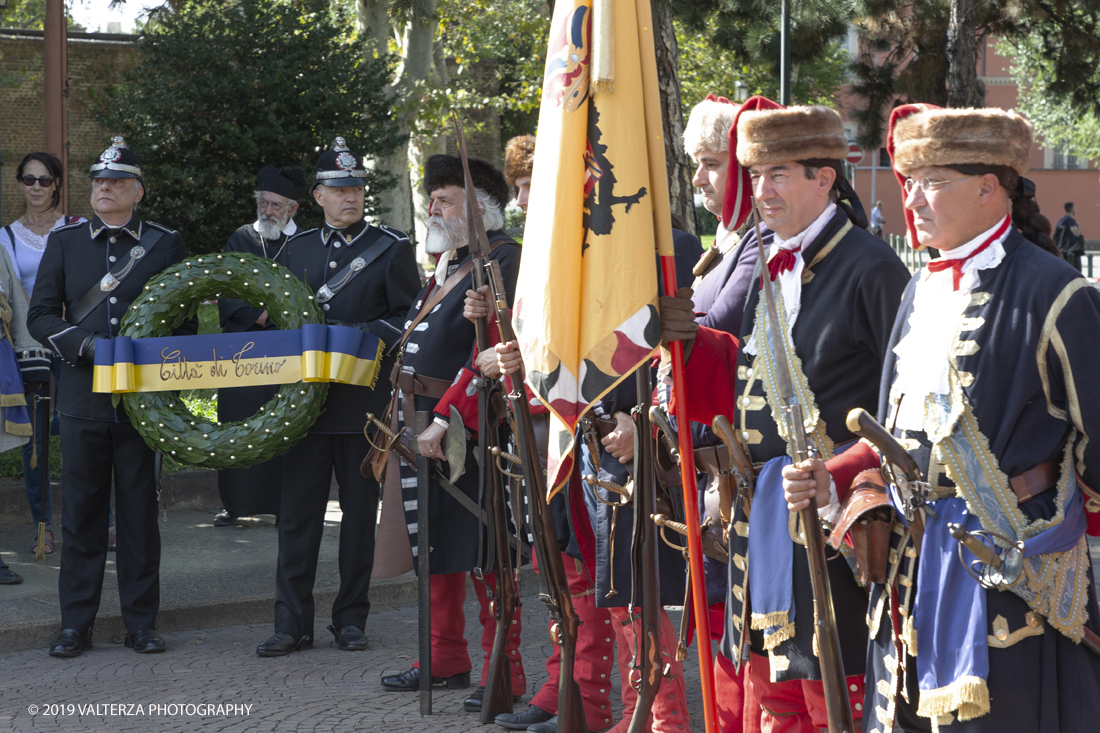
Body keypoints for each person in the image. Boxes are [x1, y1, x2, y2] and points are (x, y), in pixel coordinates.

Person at [785, 105, 1100, 732]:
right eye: (909, 182)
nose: (913, 201)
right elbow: (895, 432)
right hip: (905, 569)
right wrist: (836, 475)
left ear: (990, 187)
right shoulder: (918, 290)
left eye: (932, 182)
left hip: (1009, 579)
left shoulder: (1060, 294)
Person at [662, 99, 911, 731]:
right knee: (774, 693)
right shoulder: (766, 260)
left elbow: (902, 406)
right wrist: (688, 342)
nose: (760, 191)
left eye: (777, 174)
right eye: (754, 175)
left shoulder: (872, 268)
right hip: (763, 508)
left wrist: (844, 477)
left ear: (823, 178)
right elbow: (745, 378)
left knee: (834, 692)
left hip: (834, 516)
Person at [28, 135, 194, 657]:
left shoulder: (165, 244)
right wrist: (88, 347)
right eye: (99, 181)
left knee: (140, 515)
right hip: (82, 400)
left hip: (142, 404)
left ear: (137, 192)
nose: (105, 188)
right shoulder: (67, 240)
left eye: (117, 182)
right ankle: (75, 625)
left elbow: (184, 318)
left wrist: (152, 356)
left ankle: (141, 623)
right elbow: (40, 317)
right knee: (81, 515)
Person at [474, 135, 617, 733]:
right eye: (522, 188)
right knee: (554, 570)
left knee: (587, 575)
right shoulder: (533, 257)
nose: (527, 198)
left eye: (538, 186)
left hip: (595, 431)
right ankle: (560, 689)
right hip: (541, 434)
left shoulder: (598, 249)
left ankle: (590, 700)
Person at [258, 138, 419, 657]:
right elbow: (278, 322)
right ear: (318, 195)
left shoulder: (391, 246)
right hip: (303, 407)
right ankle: (291, 622)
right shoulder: (295, 248)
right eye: (339, 189)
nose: (350, 197)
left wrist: (354, 334)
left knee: (357, 519)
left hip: (361, 408)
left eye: (357, 188)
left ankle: (350, 618)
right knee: (297, 519)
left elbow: (406, 319)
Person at [380, 154, 527, 711]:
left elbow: (488, 353)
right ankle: (444, 656)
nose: (433, 208)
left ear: (479, 207)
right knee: (434, 547)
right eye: (433, 198)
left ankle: (503, 669)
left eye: (445, 199)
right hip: (422, 419)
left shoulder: (502, 261)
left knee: (485, 547)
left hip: (472, 423)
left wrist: (444, 414)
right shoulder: (451, 265)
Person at [1, 152, 86, 554]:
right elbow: (9, 288)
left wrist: (60, 309)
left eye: (45, 180)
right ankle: (42, 527)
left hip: (75, 338)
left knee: (84, 433)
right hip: (31, 345)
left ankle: (94, 522)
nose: (36, 187)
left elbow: (90, 279)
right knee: (35, 443)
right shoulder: (6, 236)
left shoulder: (78, 227)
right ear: (20, 183)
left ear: (57, 185)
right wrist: (41, 309)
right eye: (29, 179)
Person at [213, 165, 307, 527]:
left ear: (293, 209)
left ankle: (284, 504)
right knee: (236, 422)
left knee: (284, 424)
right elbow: (226, 286)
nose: (267, 211)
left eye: (275, 205)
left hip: (289, 349)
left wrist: (283, 315)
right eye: (263, 203)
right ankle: (235, 504)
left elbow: (309, 294)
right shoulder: (241, 238)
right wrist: (262, 315)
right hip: (244, 347)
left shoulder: (305, 242)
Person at [1054, 201, 1085, 271]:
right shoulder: (1070, 220)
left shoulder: (1061, 220)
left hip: (1061, 248)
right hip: (1071, 249)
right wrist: (1079, 226)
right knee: (1076, 269)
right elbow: (1076, 233)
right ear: (1072, 209)